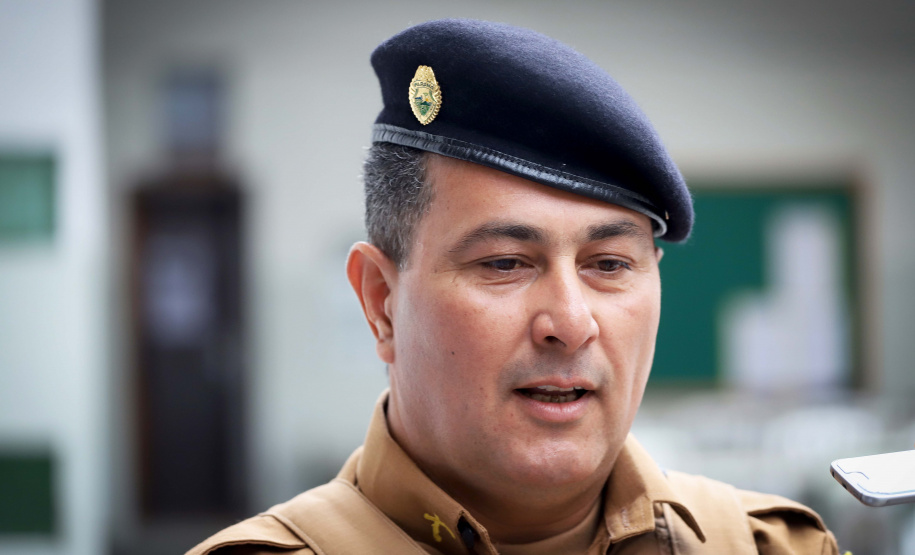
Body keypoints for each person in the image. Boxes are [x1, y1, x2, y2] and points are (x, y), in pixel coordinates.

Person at [188, 19, 840, 555]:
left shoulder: (765, 546)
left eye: (608, 264)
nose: (570, 321)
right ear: (381, 303)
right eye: (505, 262)